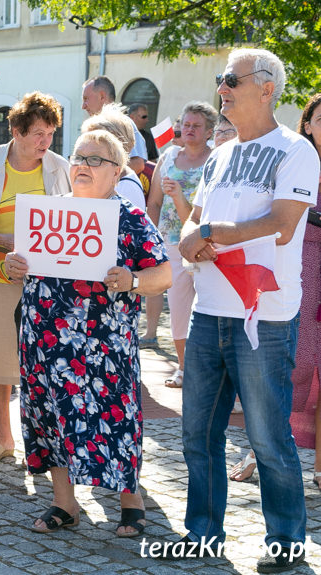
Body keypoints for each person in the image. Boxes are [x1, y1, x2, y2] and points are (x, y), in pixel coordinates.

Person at [168, 49, 319, 572]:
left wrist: (210, 236)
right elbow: (195, 220)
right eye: (220, 79)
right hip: (210, 310)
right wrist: (191, 236)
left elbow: (281, 222)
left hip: (267, 317)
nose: (222, 87)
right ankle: (202, 533)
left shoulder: (296, 150)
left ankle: (285, 541)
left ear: (267, 88)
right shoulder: (220, 154)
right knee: (197, 434)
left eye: (231, 79)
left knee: (269, 438)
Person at [5, 129, 171, 536]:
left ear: (116, 172)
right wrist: (12, 264)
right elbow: (20, 266)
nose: (82, 165)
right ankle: (65, 504)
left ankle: (130, 503)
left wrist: (132, 280)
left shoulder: (129, 217)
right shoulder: (49, 212)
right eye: (79, 157)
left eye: (95, 159)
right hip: (45, 339)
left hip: (103, 344)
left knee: (117, 417)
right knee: (49, 415)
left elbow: (163, 274)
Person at [0, 91, 71, 463]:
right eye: (38, 133)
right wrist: (3, 239)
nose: (44, 142)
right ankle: (4, 436)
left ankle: (51, 441)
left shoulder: (58, 167)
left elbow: (68, 226)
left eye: (50, 134)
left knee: (45, 360)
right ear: (17, 131)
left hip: (42, 281)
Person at [229, 95, 321, 487]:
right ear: (308, 125)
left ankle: (319, 466)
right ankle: (259, 450)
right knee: (287, 368)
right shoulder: (294, 162)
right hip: (298, 273)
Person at [146, 101, 216, 389]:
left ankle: (211, 373)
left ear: (209, 131)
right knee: (178, 309)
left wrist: (178, 197)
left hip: (206, 248)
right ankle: (185, 368)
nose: (188, 130)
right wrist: (150, 241)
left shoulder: (216, 160)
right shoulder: (169, 156)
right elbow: (154, 203)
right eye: (185, 124)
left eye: (196, 125)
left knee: (209, 310)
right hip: (170, 245)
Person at [81, 103, 146, 208]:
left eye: (95, 142)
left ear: (116, 146)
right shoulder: (111, 179)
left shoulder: (124, 188)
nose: (88, 148)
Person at [81, 76, 148, 176]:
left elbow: (138, 163)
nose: (83, 106)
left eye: (86, 99)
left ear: (102, 96)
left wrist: (103, 179)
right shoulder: (95, 124)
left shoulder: (121, 123)